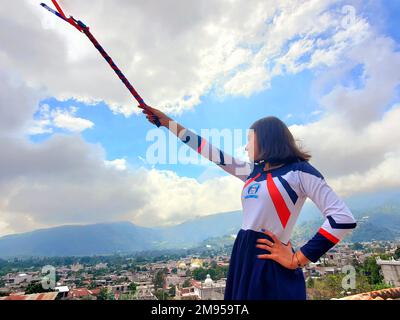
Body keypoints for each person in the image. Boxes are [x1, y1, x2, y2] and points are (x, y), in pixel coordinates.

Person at [139, 104, 357, 300]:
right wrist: (168, 122)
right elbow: (210, 152)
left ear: (266, 140)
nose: (245, 148)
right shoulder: (253, 172)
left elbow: (342, 219)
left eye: (249, 140)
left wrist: (297, 259)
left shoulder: (300, 172)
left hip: (268, 258)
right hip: (243, 256)